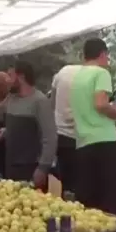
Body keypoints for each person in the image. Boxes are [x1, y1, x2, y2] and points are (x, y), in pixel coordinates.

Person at [0, 61, 56, 186]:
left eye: (10, 76)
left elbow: (50, 138)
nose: (6, 80)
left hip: (31, 166)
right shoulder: (11, 99)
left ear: (21, 77)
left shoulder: (40, 101)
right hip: (11, 165)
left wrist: (43, 168)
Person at [70, 38, 116, 214]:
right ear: (103, 54)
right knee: (110, 200)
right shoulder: (101, 73)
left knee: (88, 202)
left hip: (83, 144)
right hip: (105, 143)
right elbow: (101, 104)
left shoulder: (77, 78)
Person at [50, 64, 81, 192]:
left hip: (62, 136)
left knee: (67, 184)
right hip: (83, 139)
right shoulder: (95, 76)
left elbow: (52, 103)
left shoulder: (63, 71)